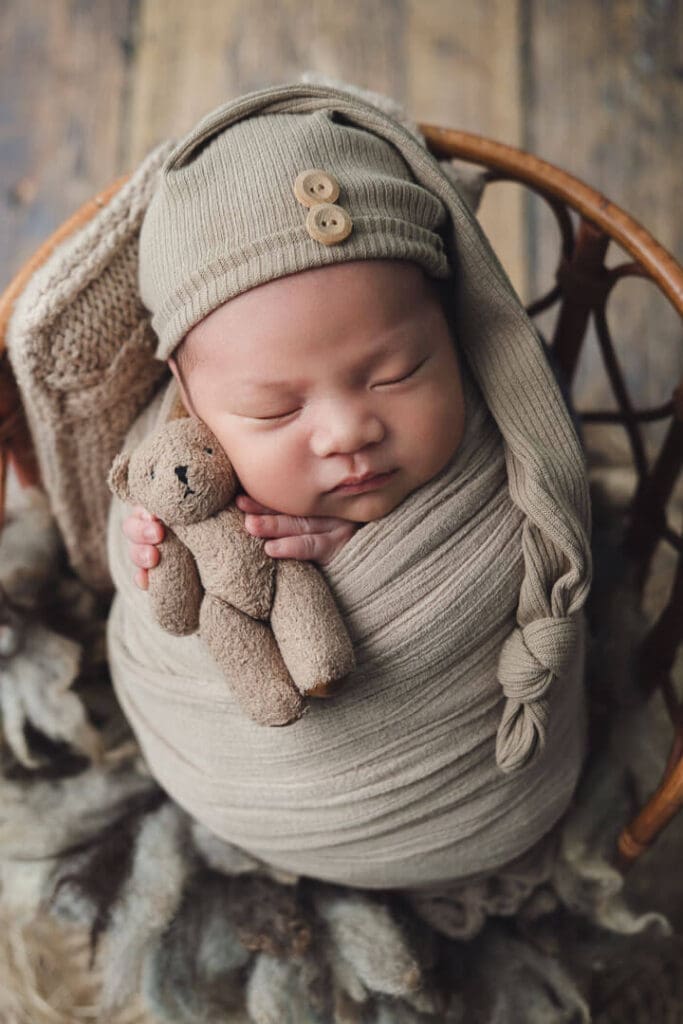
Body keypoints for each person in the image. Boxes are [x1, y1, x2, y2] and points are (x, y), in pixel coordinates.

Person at [105, 79, 592, 895]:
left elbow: (538, 521)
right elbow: (165, 591)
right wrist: (149, 542)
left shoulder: (502, 425)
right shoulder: (174, 450)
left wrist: (358, 550)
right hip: (246, 789)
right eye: (274, 407)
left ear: (454, 331)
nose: (346, 432)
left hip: (480, 788)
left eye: (398, 373)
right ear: (189, 401)